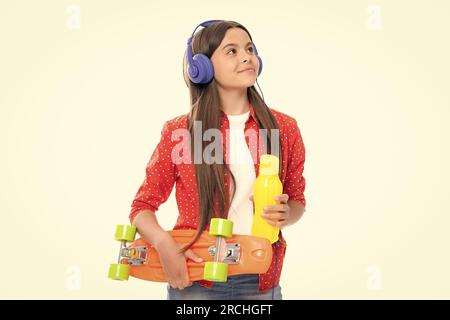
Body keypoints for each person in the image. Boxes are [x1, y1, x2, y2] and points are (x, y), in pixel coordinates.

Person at [129, 19, 307, 300]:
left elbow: (297, 200)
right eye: (232, 51)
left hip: (260, 278)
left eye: (250, 48)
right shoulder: (180, 132)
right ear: (202, 67)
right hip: (196, 279)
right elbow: (142, 208)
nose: (247, 56)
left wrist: (288, 214)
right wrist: (164, 244)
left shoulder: (283, 128)